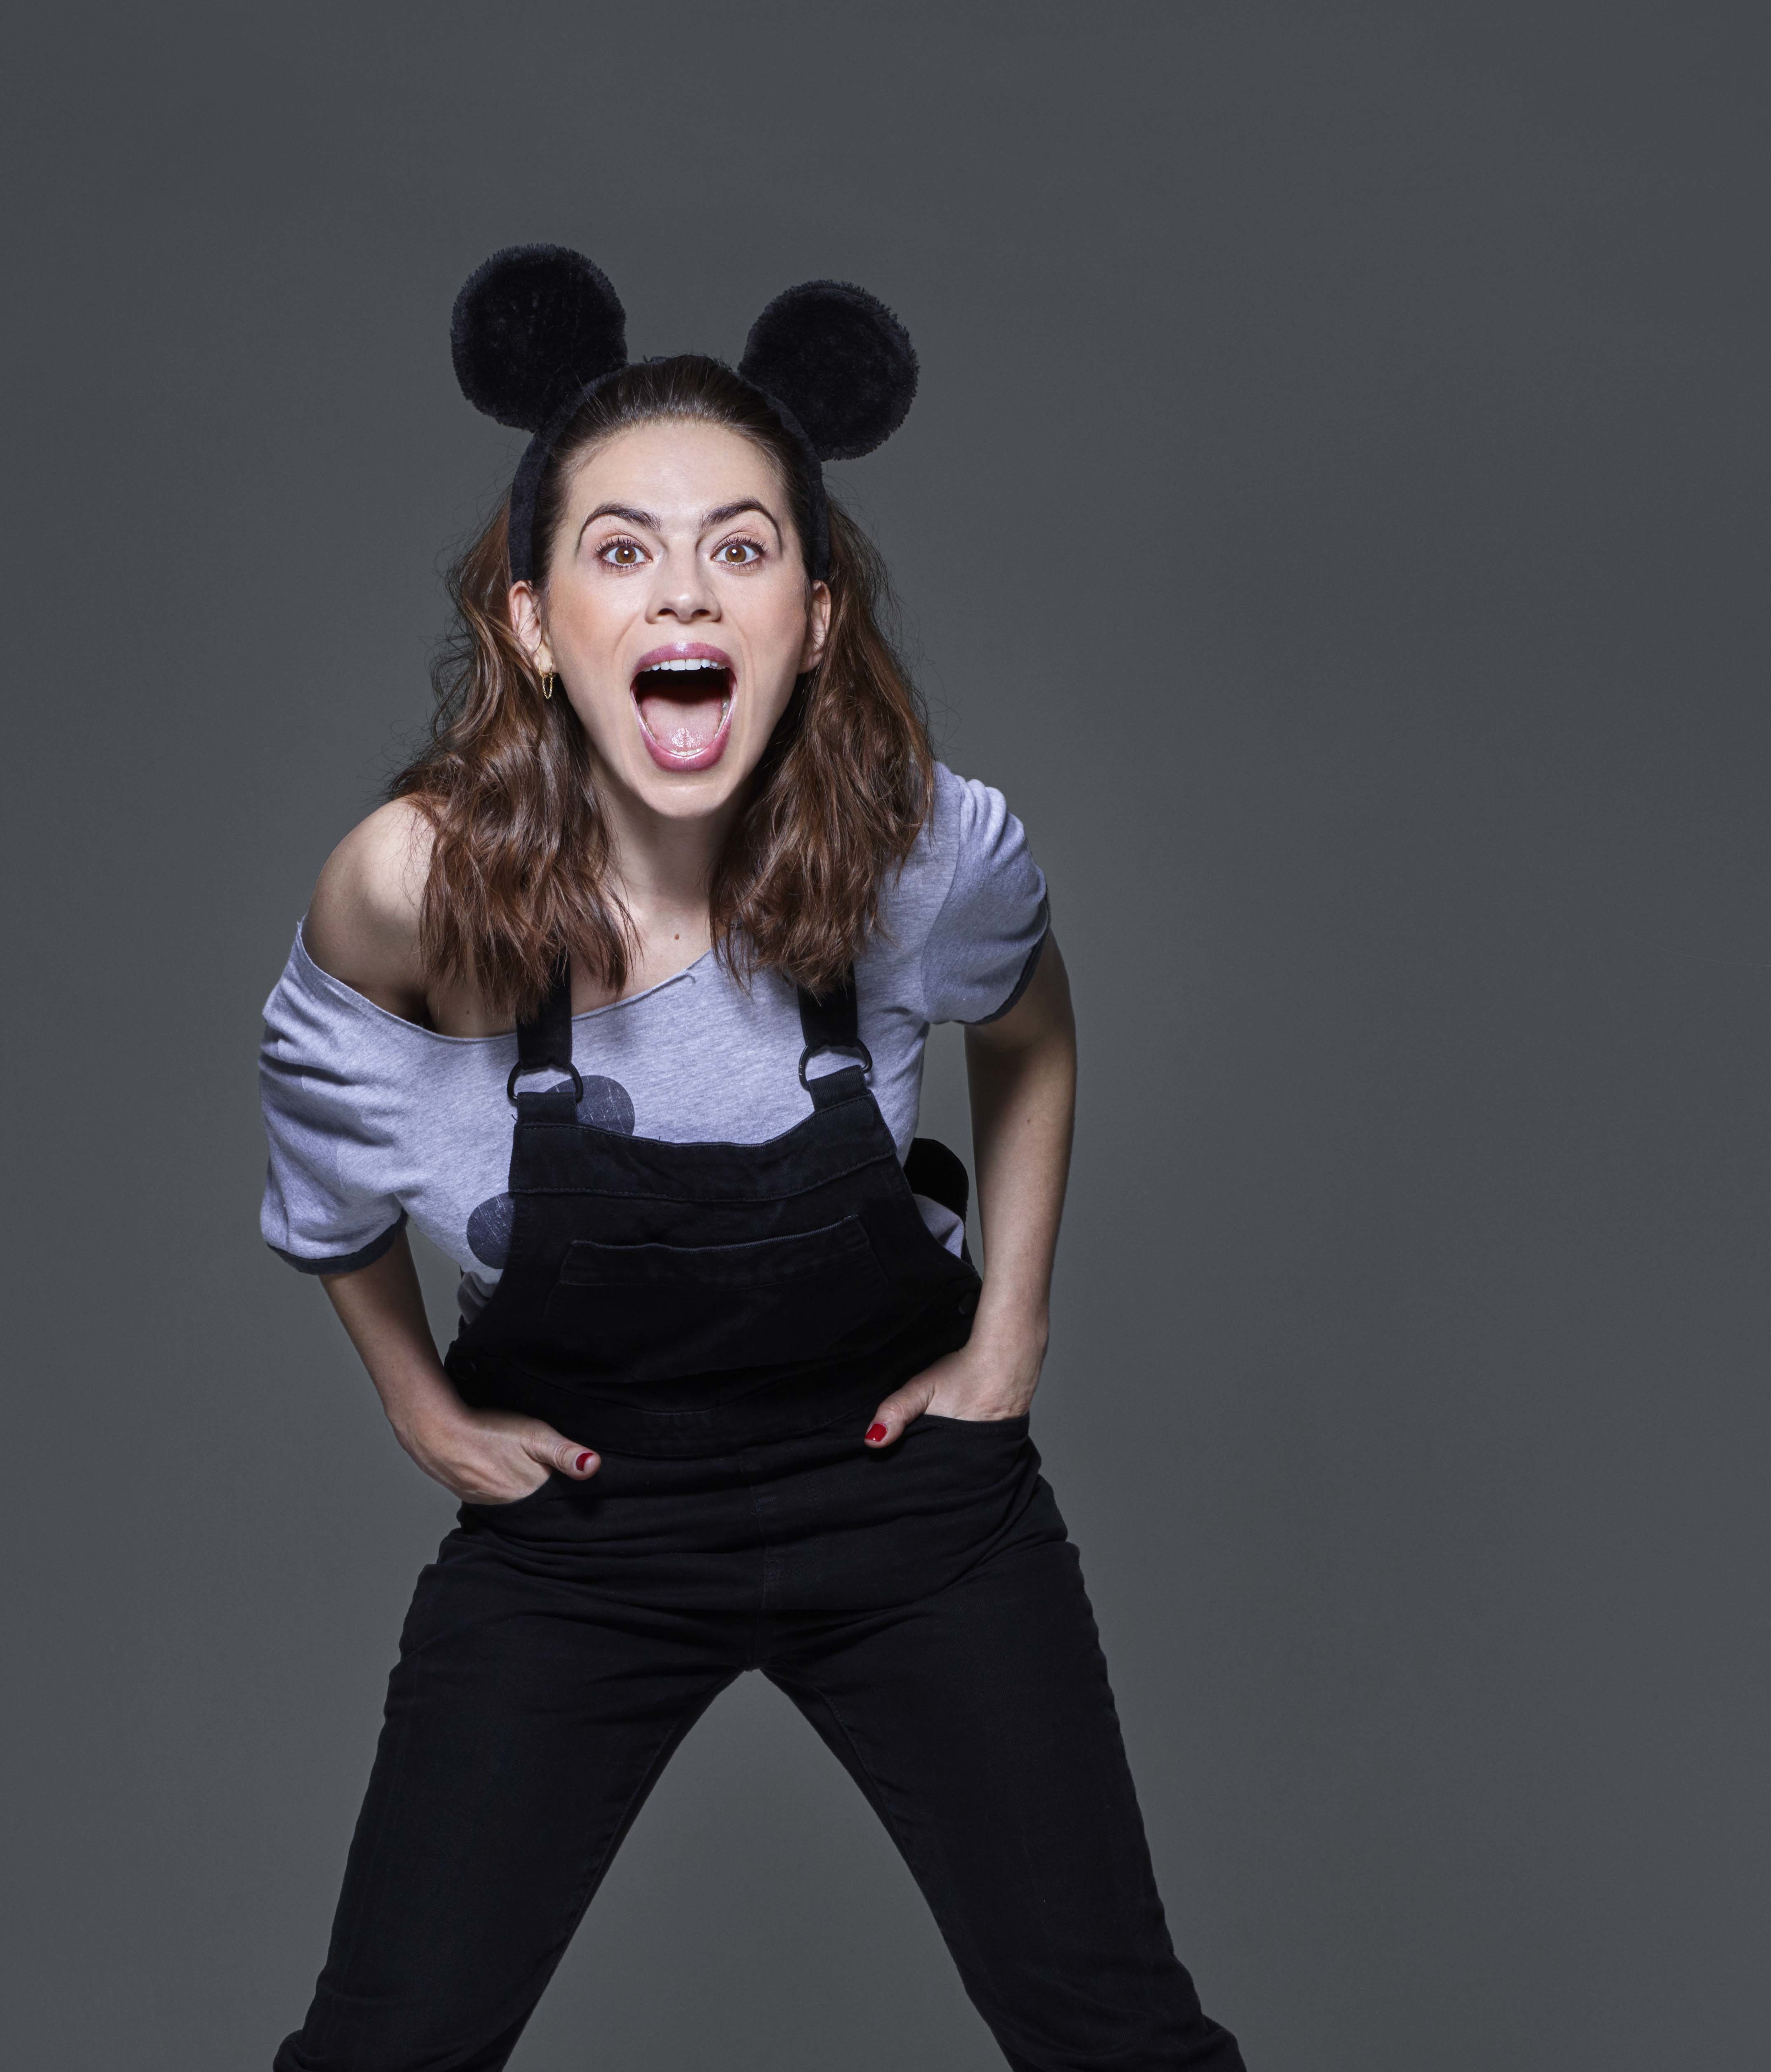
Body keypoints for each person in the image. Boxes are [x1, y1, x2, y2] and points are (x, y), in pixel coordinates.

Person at [257, 247, 1246, 2072]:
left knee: (1115, 2035)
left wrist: (1011, 1330)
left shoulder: (928, 852)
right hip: (583, 1531)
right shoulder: (407, 889)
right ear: (535, 620)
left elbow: (1028, 1027)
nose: (683, 589)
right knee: (386, 2048)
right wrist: (417, 1404)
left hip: (910, 1507)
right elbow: (320, 1179)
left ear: (812, 613)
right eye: (620, 548)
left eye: (740, 545)